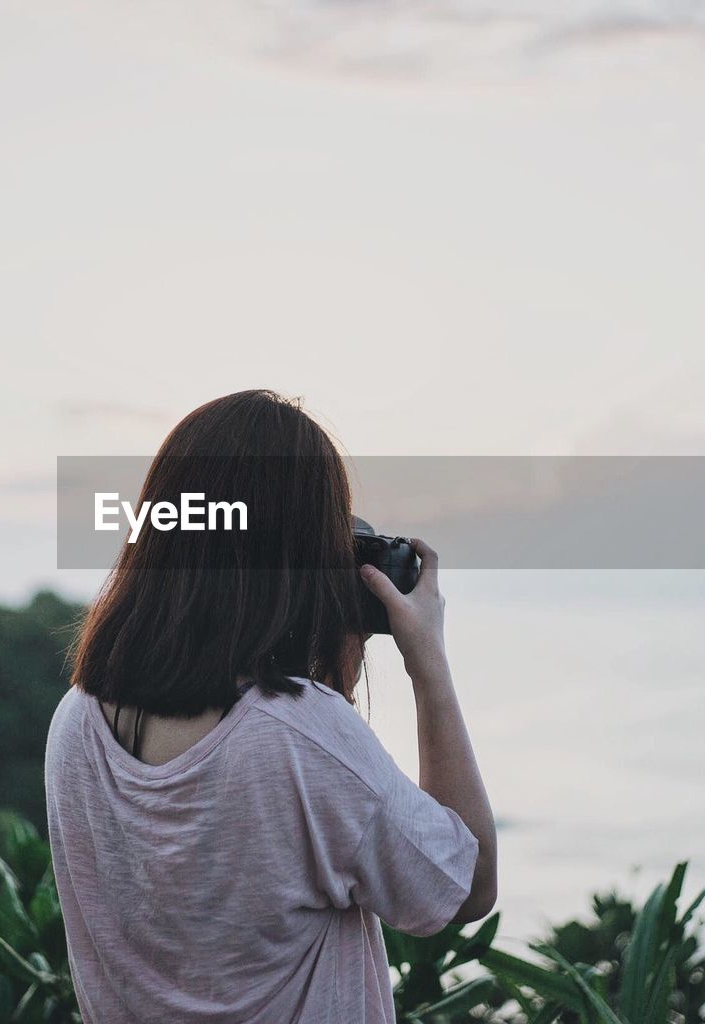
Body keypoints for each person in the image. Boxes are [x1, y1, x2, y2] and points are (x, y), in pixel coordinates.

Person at [45, 389, 497, 1023]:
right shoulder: (301, 735)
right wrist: (429, 664)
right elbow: (466, 889)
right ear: (304, 554)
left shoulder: (75, 720)